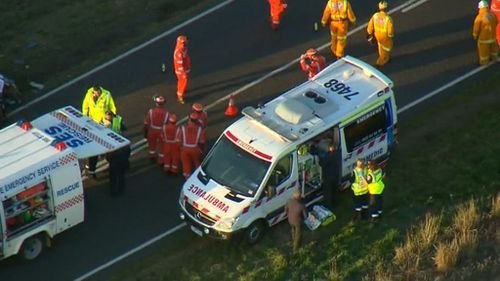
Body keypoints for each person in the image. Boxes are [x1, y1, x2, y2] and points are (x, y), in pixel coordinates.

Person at [82, 85, 117, 178]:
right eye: (94, 92)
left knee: (108, 145)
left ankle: (111, 164)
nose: (95, 94)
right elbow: (85, 106)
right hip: (93, 124)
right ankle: (91, 170)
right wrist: (84, 118)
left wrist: (109, 119)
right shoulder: (89, 94)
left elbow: (112, 108)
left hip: (104, 124)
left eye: (97, 92)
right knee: (94, 147)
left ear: (99, 91)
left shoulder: (107, 94)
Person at [177, 112, 206, 179]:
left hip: (184, 149)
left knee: (186, 164)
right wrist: (201, 151)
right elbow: (202, 142)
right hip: (195, 148)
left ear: (189, 119)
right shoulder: (200, 129)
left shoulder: (183, 128)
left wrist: (180, 148)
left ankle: (187, 178)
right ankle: (198, 177)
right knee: (197, 162)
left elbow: (179, 140)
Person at [367, 1, 394, 68]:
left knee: (380, 47)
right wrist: (390, 36)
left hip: (377, 35)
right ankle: (379, 63)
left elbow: (370, 26)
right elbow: (390, 31)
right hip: (385, 37)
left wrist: (369, 33)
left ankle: (385, 58)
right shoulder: (388, 19)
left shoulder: (375, 15)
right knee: (386, 48)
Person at [144, 95, 169, 163]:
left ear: (156, 103)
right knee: (162, 146)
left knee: (151, 145)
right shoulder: (166, 113)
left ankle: (152, 157)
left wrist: (145, 132)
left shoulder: (151, 111)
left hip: (152, 130)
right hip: (161, 131)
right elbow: (167, 125)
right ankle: (161, 160)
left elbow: (146, 123)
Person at [473, 0, 498, 65]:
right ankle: (494, 58)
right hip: (493, 37)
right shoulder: (492, 15)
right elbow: (496, 22)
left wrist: (475, 35)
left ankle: (484, 62)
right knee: (494, 50)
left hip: (483, 39)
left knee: (483, 52)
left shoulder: (479, 17)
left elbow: (476, 28)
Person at [284, 190, 308, 254]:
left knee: (293, 229)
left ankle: (293, 238)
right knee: (298, 235)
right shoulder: (301, 206)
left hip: (290, 220)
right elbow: (306, 216)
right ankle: (295, 249)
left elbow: (285, 210)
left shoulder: (289, 201)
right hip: (298, 222)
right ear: (299, 198)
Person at [173, 35, 191, 104]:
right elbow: (179, 64)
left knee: (181, 81)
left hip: (185, 68)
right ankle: (180, 95)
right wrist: (183, 73)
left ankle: (181, 90)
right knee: (183, 81)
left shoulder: (183, 48)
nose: (187, 42)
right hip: (181, 71)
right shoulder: (179, 53)